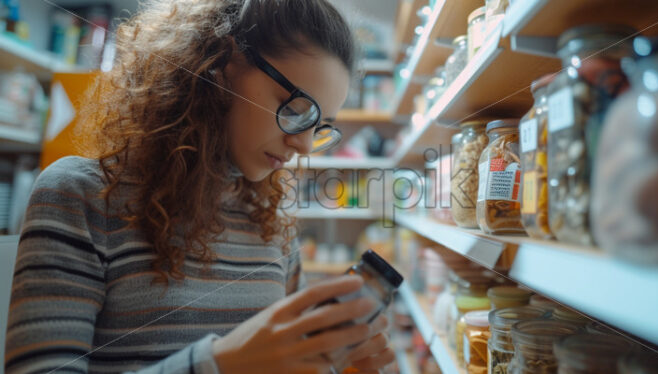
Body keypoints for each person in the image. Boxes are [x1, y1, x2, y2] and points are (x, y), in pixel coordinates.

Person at [4, 0, 395, 373]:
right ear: (221, 63)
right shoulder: (81, 196)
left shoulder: (273, 225)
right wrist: (221, 365)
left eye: (320, 126)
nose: (305, 145)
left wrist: (329, 359)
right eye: (295, 111)